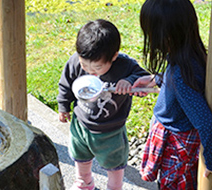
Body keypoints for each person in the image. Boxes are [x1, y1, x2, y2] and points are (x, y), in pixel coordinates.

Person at [131, 0, 212, 189]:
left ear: (164, 36)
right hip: (176, 135)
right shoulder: (190, 55)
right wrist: (157, 79)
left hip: (176, 143)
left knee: (173, 185)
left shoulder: (180, 76)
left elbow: (205, 122)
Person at [57, 19, 150, 190]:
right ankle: (83, 183)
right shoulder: (76, 62)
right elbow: (66, 84)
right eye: (85, 66)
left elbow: (145, 79)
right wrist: (63, 106)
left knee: (115, 165)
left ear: (114, 56)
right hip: (81, 124)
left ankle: (114, 187)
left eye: (97, 68)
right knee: (80, 158)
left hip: (111, 130)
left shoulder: (125, 65)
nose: (90, 72)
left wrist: (128, 81)